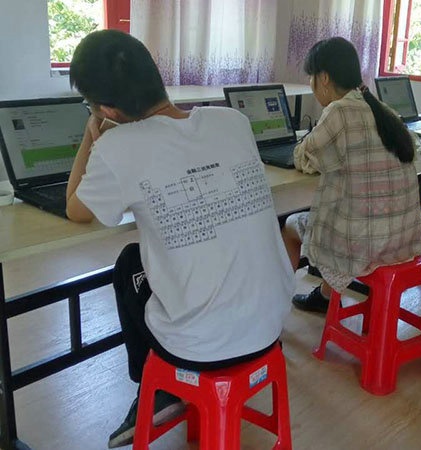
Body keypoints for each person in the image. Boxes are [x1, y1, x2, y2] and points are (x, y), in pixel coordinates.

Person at [66, 30, 294, 448]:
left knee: (130, 264)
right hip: (271, 324)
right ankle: (160, 391)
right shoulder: (232, 121)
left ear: (106, 109)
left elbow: (75, 209)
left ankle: (155, 389)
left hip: (202, 347)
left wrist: (91, 135)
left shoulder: (118, 148)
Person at [281, 37, 421, 313]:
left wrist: (305, 142)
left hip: (363, 245)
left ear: (324, 78)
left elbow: (304, 158)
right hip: (402, 239)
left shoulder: (338, 110)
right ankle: (325, 295)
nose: (312, 85)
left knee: (289, 225)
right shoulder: (382, 110)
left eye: (311, 78)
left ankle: (278, 306)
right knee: (347, 212)